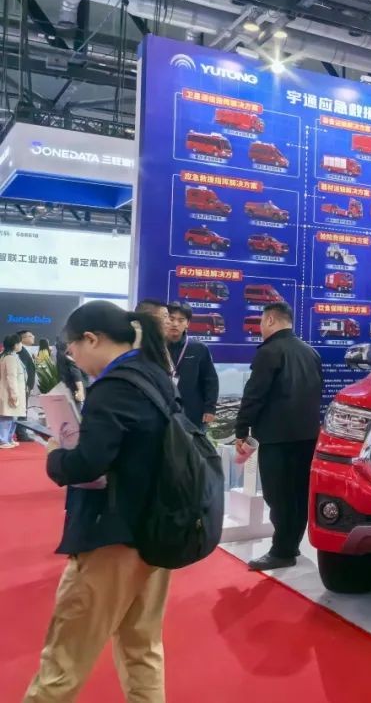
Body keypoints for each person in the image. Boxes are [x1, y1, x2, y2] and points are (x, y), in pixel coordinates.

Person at [24, 301, 176, 702]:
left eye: (72, 347)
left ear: (92, 339)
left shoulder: (113, 388)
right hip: (156, 532)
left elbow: (87, 463)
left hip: (110, 535)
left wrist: (56, 454)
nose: (72, 356)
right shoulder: (154, 375)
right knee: (142, 649)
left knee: (64, 659)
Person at [234, 301, 322, 571]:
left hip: (277, 437)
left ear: (271, 320)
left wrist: (241, 429)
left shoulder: (269, 352)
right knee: (298, 495)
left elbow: (254, 394)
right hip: (307, 436)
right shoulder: (310, 352)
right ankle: (290, 545)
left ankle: (282, 551)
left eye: (261, 322)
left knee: (278, 496)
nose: (260, 327)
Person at [166, 301, 219, 429]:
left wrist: (210, 408)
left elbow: (210, 379)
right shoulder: (156, 347)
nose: (175, 324)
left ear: (187, 323)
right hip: (162, 410)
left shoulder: (199, 348)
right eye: (171, 319)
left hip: (192, 413)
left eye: (181, 320)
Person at [0, 334, 27, 449]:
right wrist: (13, 393)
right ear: (15, 344)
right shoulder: (9, 358)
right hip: (9, 391)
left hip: (14, 390)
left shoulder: (10, 356)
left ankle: (9, 438)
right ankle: (3, 440)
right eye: (20, 343)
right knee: (7, 416)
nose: (21, 345)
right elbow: (11, 376)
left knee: (13, 416)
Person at [56, 340, 87, 407]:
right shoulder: (69, 357)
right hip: (75, 391)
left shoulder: (59, 355)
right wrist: (80, 390)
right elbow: (76, 374)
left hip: (65, 389)